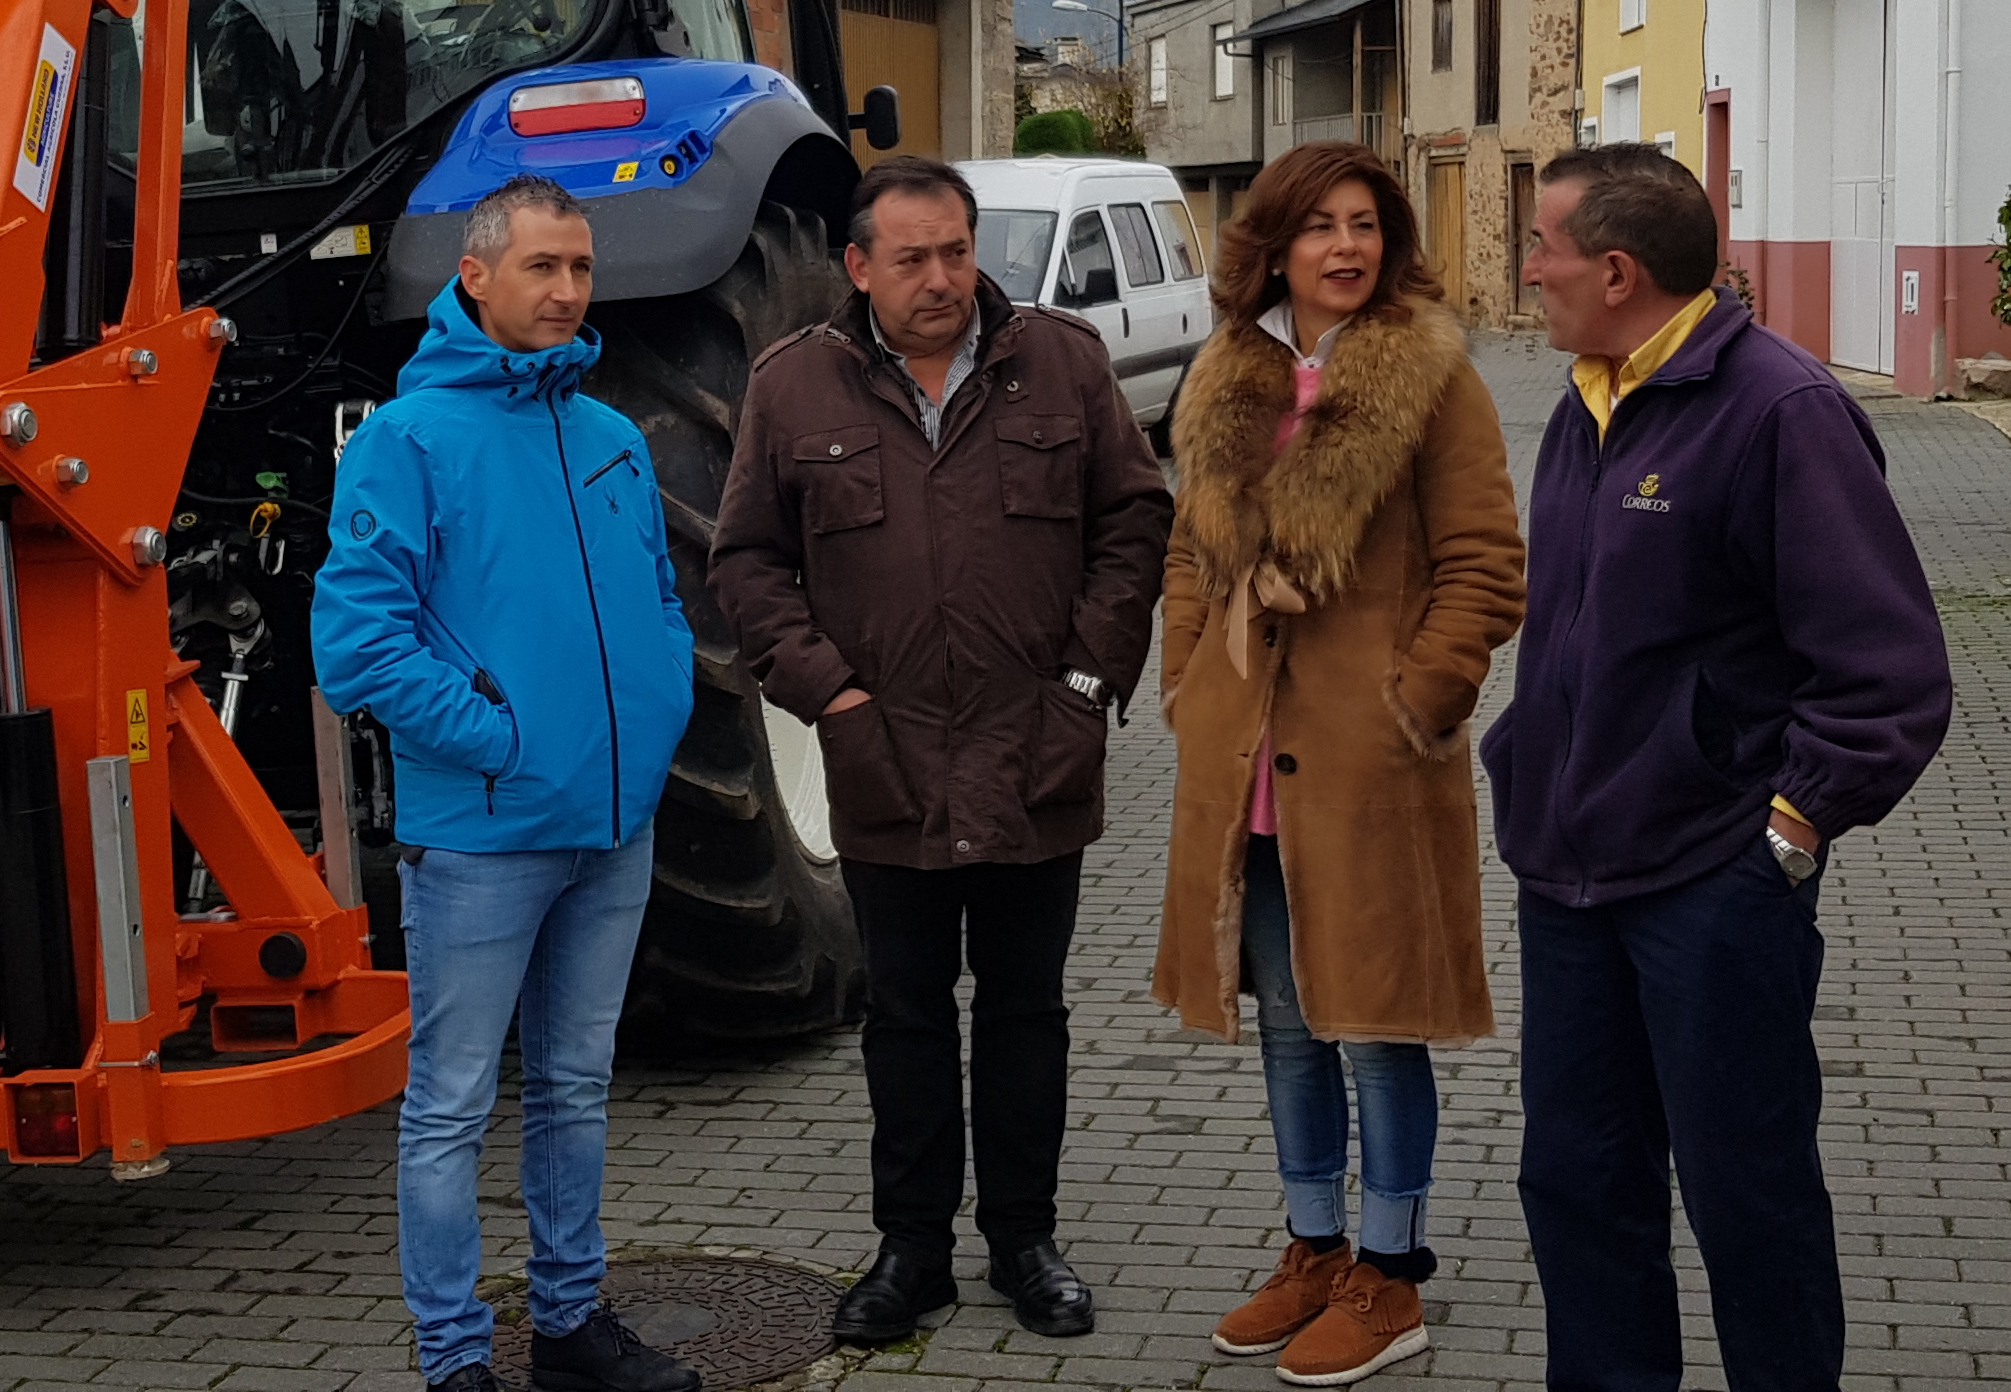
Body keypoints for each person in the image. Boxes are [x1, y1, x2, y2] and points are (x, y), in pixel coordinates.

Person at [1487, 145, 1951, 1392]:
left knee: (1749, 1196)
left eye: (1542, 247)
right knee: (1578, 1183)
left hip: (1713, 883)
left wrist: (1790, 832)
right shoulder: (1586, 400)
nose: (1527, 270)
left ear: (1617, 271)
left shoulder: (1779, 410)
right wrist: (1527, 761)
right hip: (1570, 873)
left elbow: (1889, 671)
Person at [711, 156, 1172, 1349]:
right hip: (888, 763)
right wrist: (834, 699)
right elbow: (748, 564)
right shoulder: (793, 384)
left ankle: (1025, 1240)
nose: (941, 279)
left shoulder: (1061, 362)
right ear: (858, 266)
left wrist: (1088, 683)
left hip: (1037, 754)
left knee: (1026, 1012)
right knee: (905, 1016)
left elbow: (1134, 521)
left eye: (956, 251)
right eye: (911, 257)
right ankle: (911, 1250)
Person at [311, 177, 706, 1392]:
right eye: (543, 266)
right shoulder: (408, 440)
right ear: (475, 276)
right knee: (450, 1104)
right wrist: (498, 740)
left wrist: (657, 712)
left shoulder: (611, 436)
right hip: (483, 838)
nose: (569, 290)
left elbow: (659, 600)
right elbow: (355, 645)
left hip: (613, 827)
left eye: (580, 266)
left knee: (575, 1090)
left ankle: (571, 1325)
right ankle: (454, 1358)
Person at [1150, 141, 1527, 1387]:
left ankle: (1391, 1275)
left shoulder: (1433, 377)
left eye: (1366, 223)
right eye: (1320, 225)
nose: (1347, 246)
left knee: (1374, 1023)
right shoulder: (1228, 371)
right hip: (1247, 761)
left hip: (1372, 763)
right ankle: (1313, 1248)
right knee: (1290, 1023)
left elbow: (1486, 565)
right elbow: (1189, 551)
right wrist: (1186, 680)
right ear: (1275, 245)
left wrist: (1418, 701)